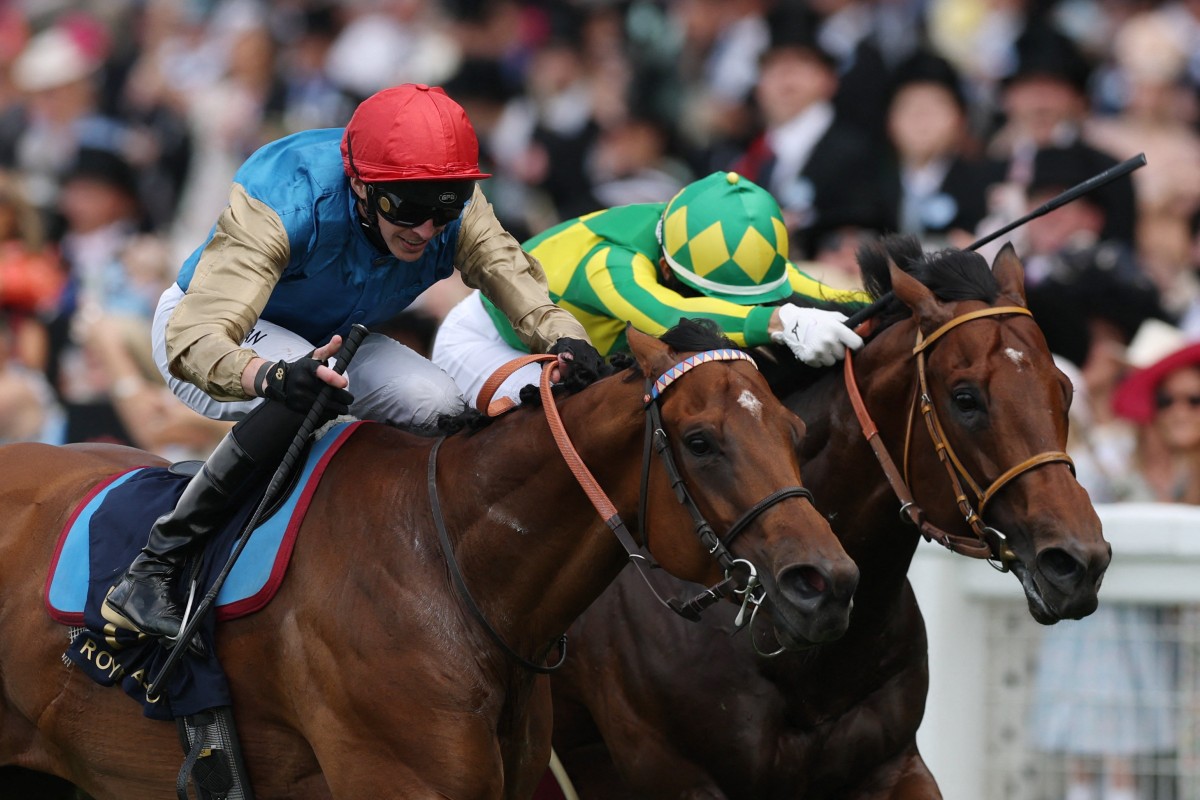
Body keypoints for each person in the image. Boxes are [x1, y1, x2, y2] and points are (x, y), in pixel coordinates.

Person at [102, 83, 601, 643]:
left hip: (336, 341)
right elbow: (196, 337)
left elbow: (515, 279)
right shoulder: (286, 200)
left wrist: (568, 339)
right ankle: (153, 567)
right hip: (211, 332)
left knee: (439, 404)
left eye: (444, 209)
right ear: (362, 184)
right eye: (407, 209)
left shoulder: (448, 197)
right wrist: (270, 376)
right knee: (313, 392)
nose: (426, 230)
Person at [432, 170, 865, 407]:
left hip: (582, 353)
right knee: (568, 422)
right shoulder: (610, 262)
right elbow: (668, 316)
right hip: (494, 344)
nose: (727, 304)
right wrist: (781, 320)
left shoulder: (701, 237)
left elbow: (814, 288)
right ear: (665, 268)